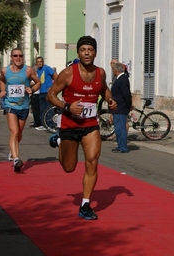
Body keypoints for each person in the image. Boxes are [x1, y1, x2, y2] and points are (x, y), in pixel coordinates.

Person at [46, 36, 117, 220]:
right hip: (69, 124)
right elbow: (51, 95)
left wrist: (110, 99)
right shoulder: (68, 73)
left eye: (90, 49)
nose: (87, 53)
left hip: (90, 124)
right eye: (83, 49)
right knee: (69, 167)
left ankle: (85, 204)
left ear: (95, 52)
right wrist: (67, 107)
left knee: (92, 160)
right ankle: (59, 139)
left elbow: (104, 90)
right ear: (78, 52)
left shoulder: (100, 73)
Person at [0, 48, 41, 172]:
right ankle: (16, 159)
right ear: (11, 57)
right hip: (10, 105)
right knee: (14, 131)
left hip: (24, 106)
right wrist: (2, 90)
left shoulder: (28, 70)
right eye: (15, 56)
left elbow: (38, 82)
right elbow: (2, 80)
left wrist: (32, 90)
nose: (18, 58)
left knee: (19, 133)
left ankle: (12, 152)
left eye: (20, 56)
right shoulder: (5, 71)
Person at [110, 62, 132, 153]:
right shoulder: (119, 78)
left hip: (121, 107)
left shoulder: (122, 79)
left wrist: (129, 105)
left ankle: (123, 147)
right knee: (118, 127)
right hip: (118, 107)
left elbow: (126, 94)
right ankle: (120, 145)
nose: (112, 71)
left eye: (113, 70)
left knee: (120, 128)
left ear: (116, 70)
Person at [35, 56, 58, 130]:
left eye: (40, 61)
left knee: (49, 109)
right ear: (36, 63)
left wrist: (53, 86)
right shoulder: (38, 70)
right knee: (42, 109)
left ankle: (50, 125)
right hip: (41, 92)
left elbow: (55, 76)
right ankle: (43, 124)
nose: (39, 63)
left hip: (48, 92)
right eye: (38, 62)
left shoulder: (47, 68)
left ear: (43, 62)